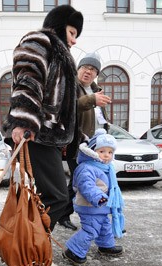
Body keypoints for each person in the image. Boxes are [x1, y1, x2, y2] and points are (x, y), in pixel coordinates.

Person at [2, 5, 84, 266]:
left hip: (46, 136)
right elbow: (28, 79)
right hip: (35, 134)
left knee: (44, 198)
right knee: (57, 197)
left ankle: (33, 249)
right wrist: (24, 121)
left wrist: (75, 135)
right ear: (60, 25)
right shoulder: (40, 41)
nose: (74, 40)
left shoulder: (60, 53)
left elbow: (63, 103)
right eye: (72, 32)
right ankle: (34, 251)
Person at [58, 52, 112, 230]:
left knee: (98, 180)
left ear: (96, 74)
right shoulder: (71, 86)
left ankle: (100, 215)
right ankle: (63, 215)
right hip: (79, 145)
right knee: (78, 179)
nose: (88, 72)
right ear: (78, 69)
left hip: (97, 147)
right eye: (85, 67)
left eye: (93, 69)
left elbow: (100, 118)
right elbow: (68, 107)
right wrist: (92, 100)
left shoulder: (96, 90)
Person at [62, 129, 125, 265]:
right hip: (89, 206)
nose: (106, 155)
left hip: (102, 206)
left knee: (104, 226)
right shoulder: (86, 168)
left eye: (110, 152)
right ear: (92, 151)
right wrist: (98, 198)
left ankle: (106, 245)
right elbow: (86, 186)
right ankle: (73, 251)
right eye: (102, 151)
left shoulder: (106, 168)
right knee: (91, 229)